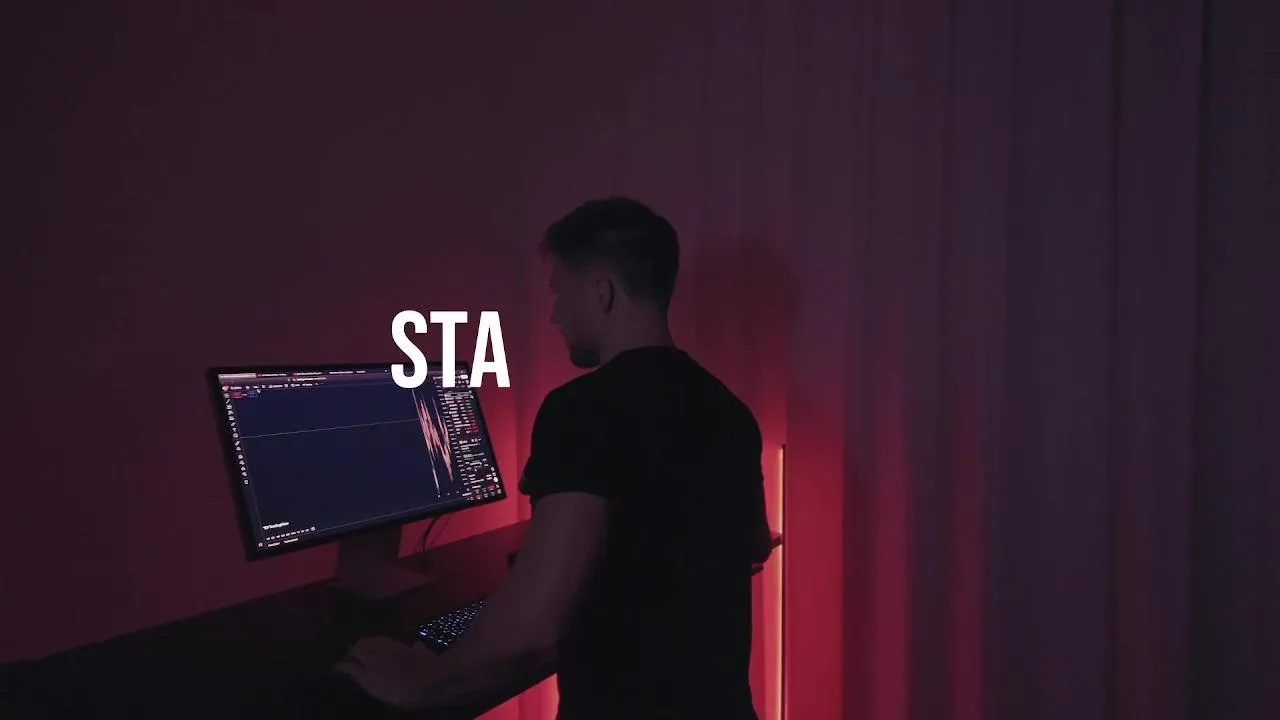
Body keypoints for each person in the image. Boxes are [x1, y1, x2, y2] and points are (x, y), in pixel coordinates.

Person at [335, 197, 776, 719]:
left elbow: (533, 626)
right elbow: (752, 547)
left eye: (560, 292)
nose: (554, 314)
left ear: (602, 292)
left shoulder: (582, 409)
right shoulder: (729, 410)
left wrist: (426, 681)